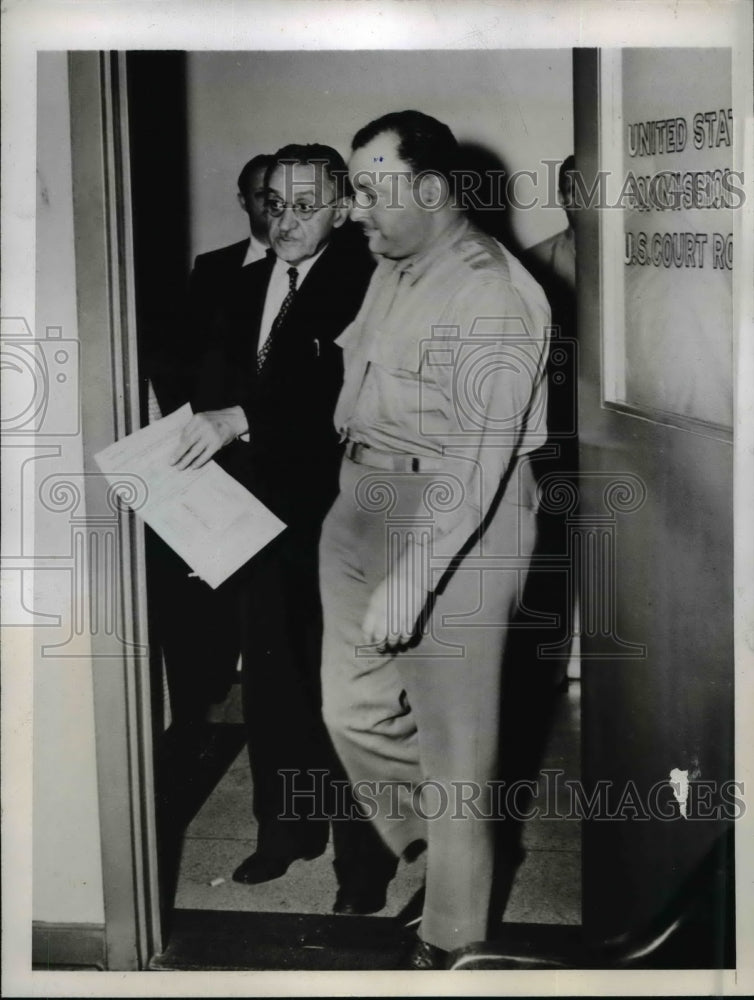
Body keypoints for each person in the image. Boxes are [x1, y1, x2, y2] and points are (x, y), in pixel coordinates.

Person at [318, 111, 551, 968]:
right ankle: (452, 845)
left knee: (457, 746)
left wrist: (414, 577)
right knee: (350, 707)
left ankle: (455, 940)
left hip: (459, 508)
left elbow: (481, 462)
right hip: (366, 491)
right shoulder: (393, 262)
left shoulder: (490, 289)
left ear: (432, 191)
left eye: (372, 193)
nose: (354, 212)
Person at [171, 144, 397, 910]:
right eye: (273, 201)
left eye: (305, 204)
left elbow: (347, 397)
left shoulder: (371, 279)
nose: (284, 218)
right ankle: (286, 830)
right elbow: (206, 388)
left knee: (349, 692)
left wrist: (244, 418)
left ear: (342, 207)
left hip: (342, 518)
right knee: (272, 684)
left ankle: (364, 868)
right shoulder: (239, 284)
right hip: (253, 518)